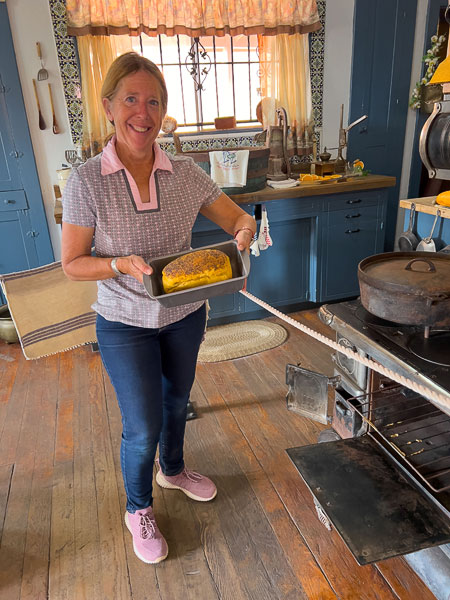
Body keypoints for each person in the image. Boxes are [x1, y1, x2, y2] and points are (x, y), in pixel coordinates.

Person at [61, 52, 256, 565]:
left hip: (184, 315)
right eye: (131, 99)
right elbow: (73, 264)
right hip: (124, 322)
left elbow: (238, 218)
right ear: (108, 107)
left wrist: (244, 234)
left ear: (163, 112)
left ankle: (173, 470)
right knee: (143, 423)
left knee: (176, 402)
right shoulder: (86, 181)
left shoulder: (185, 173)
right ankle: (138, 507)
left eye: (153, 102)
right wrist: (118, 265)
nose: (142, 113)